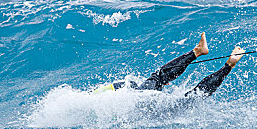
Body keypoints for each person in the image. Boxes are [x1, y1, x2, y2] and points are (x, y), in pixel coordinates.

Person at [93, 33, 245, 99]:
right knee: (158, 78)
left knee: (191, 99)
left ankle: (228, 65)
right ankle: (197, 52)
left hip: (138, 100)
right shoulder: (93, 98)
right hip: (131, 91)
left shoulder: (91, 106)